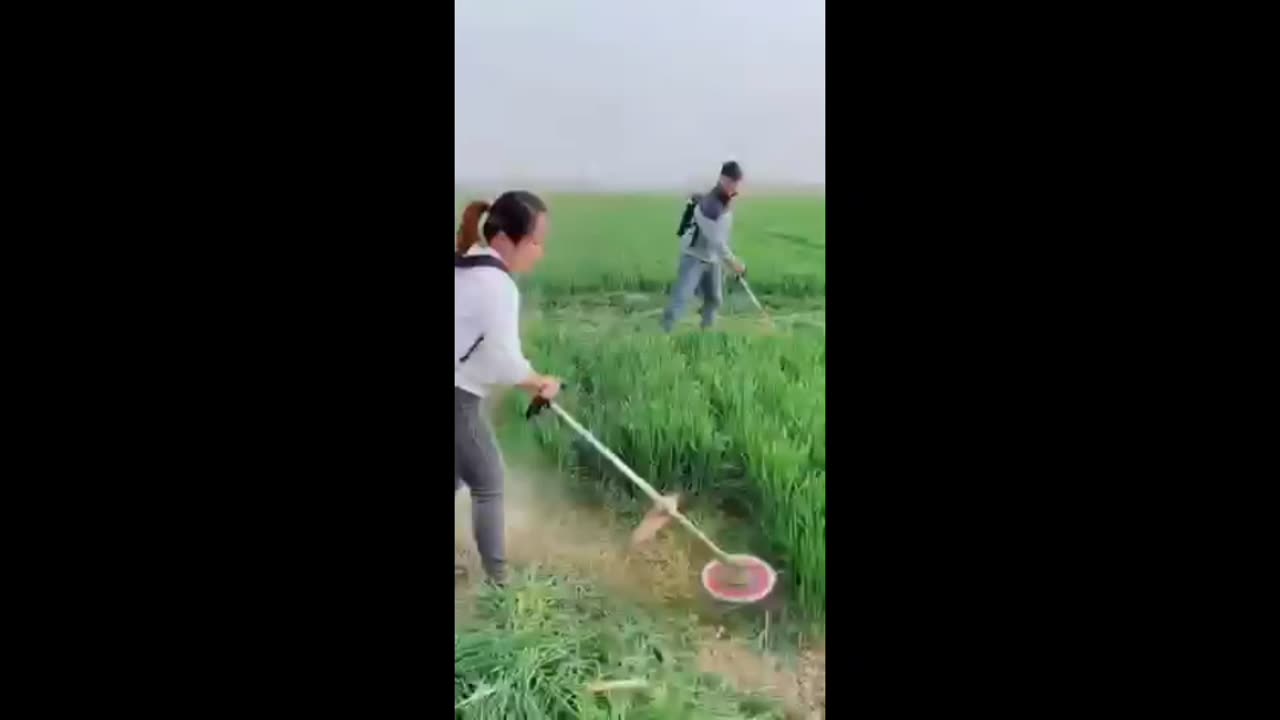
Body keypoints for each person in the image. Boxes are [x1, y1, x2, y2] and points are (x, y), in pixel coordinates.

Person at [455, 191, 561, 585]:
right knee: (488, 481)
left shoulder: (466, 265)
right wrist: (540, 382)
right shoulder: (497, 286)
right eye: (535, 241)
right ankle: (500, 582)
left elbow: (480, 349)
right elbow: (502, 361)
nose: (539, 252)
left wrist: (530, 379)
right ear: (505, 240)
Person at [660, 161, 747, 332]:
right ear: (723, 179)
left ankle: (706, 332)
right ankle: (664, 332)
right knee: (682, 297)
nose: (735, 186)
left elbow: (721, 237)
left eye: (737, 182)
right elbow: (716, 240)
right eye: (732, 181)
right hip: (694, 256)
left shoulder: (725, 201)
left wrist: (728, 262)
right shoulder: (710, 205)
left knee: (714, 298)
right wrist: (734, 263)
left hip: (712, 258)